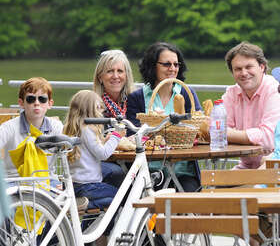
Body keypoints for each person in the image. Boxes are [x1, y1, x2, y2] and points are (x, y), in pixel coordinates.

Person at [126, 42, 202, 192]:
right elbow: (132, 135)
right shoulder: (137, 97)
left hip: (183, 171)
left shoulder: (187, 93)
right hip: (149, 171)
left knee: (190, 203)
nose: (172, 69)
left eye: (176, 64)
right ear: (153, 66)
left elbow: (199, 127)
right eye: (167, 64)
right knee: (150, 203)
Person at [222, 42, 280, 169]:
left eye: (249, 67)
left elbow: (268, 139)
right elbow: (217, 128)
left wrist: (228, 134)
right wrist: (223, 133)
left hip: (275, 166)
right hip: (246, 166)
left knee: (222, 184)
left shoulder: (275, 90)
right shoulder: (232, 93)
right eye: (238, 69)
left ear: (262, 67)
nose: (243, 73)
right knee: (216, 186)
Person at [63, 90, 126, 210]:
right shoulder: (87, 129)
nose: (101, 112)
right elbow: (103, 155)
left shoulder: (74, 128)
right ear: (89, 110)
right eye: (98, 107)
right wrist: (116, 136)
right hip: (89, 185)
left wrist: (105, 141)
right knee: (122, 196)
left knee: (112, 199)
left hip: (74, 184)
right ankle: (86, 205)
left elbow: (89, 149)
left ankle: (86, 222)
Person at [0, 77, 63, 178]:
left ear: (50, 104)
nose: (37, 103)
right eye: (30, 99)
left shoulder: (56, 126)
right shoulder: (9, 127)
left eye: (42, 99)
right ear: (21, 103)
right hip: (14, 180)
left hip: (47, 179)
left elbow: (70, 152)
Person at [93, 49, 135, 187]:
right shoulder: (92, 105)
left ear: (127, 75)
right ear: (100, 77)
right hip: (103, 162)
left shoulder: (135, 101)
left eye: (120, 71)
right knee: (118, 174)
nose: (115, 76)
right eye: (110, 71)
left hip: (133, 159)